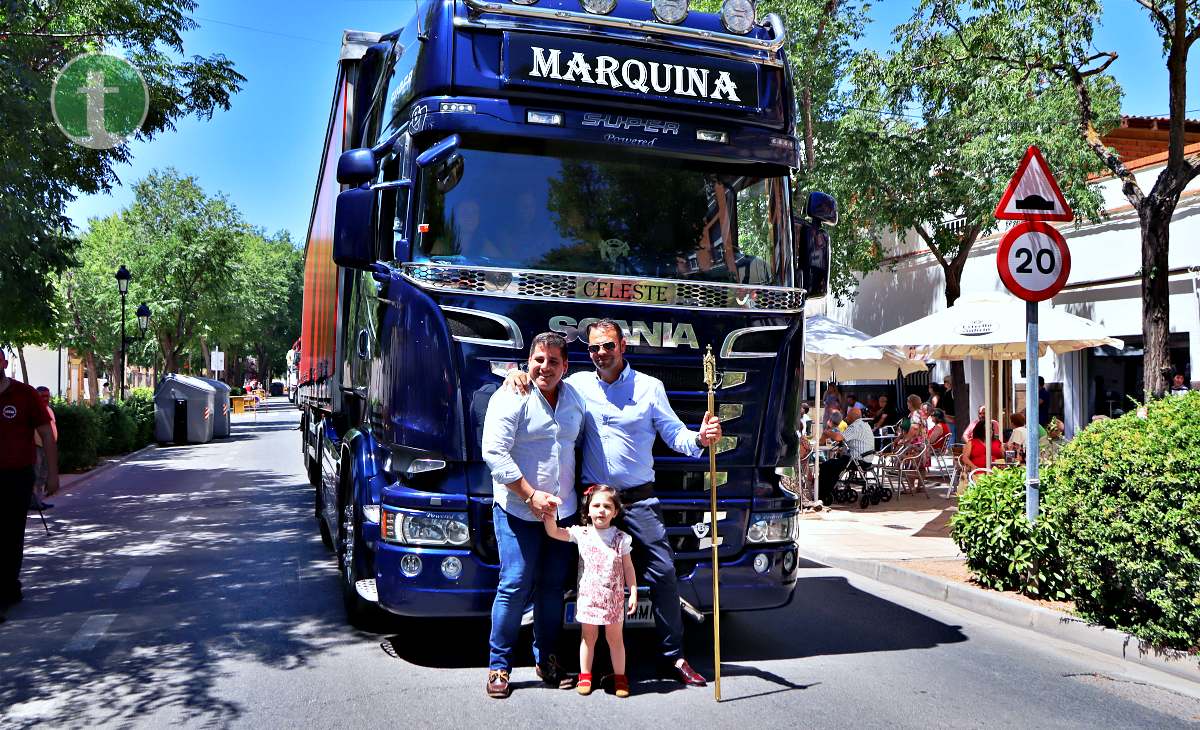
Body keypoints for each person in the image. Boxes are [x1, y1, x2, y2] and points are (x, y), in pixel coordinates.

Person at [505, 319, 721, 687]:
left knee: (665, 572)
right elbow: (544, 380)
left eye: (607, 346)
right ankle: (603, 665)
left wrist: (700, 438)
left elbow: (674, 434)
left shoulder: (650, 388)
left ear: (623, 346)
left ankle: (673, 657)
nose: (600, 353)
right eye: (593, 348)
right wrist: (513, 374)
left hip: (640, 499)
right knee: (595, 579)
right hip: (596, 505)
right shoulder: (577, 386)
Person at [481, 332, 585, 698]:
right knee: (515, 583)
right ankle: (499, 666)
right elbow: (493, 452)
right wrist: (529, 495)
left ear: (565, 366)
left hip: (563, 513)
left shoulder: (575, 399)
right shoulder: (512, 394)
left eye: (554, 361)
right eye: (539, 359)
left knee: (554, 588)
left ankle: (548, 659)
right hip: (517, 511)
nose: (545, 367)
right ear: (529, 361)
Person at [542, 484, 637, 698]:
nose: (601, 510)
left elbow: (628, 567)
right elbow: (553, 532)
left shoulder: (621, 538)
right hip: (588, 599)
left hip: (613, 600)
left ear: (615, 512)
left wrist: (633, 591)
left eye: (607, 506)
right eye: (596, 505)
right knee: (588, 637)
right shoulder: (582, 533)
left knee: (615, 639)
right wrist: (549, 514)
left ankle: (620, 677)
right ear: (588, 509)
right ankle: (586, 675)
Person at [0, 350, 58, 622]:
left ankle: (8, 586)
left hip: (17, 476)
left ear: (3, 363)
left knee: (11, 534)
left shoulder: (24, 394)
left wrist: (52, 473)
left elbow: (46, 431)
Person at [816, 407, 874, 505]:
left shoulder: (855, 426)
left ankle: (822, 494)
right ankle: (829, 490)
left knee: (827, 465)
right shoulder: (865, 425)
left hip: (856, 460)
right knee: (833, 464)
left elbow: (839, 437)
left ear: (852, 417)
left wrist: (827, 432)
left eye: (848, 416)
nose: (846, 418)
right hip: (866, 459)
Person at [31, 386, 57, 510]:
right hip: (36, 447)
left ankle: (39, 501)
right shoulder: (33, 410)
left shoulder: (49, 410)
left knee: (42, 476)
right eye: (42, 396)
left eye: (47, 396)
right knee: (35, 475)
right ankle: (33, 501)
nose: (45, 399)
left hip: (47, 448)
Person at [940, 375, 957, 441]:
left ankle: (950, 450)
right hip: (948, 416)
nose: (944, 383)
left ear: (949, 382)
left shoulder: (952, 392)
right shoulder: (947, 392)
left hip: (951, 417)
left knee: (951, 435)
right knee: (950, 435)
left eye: (945, 381)